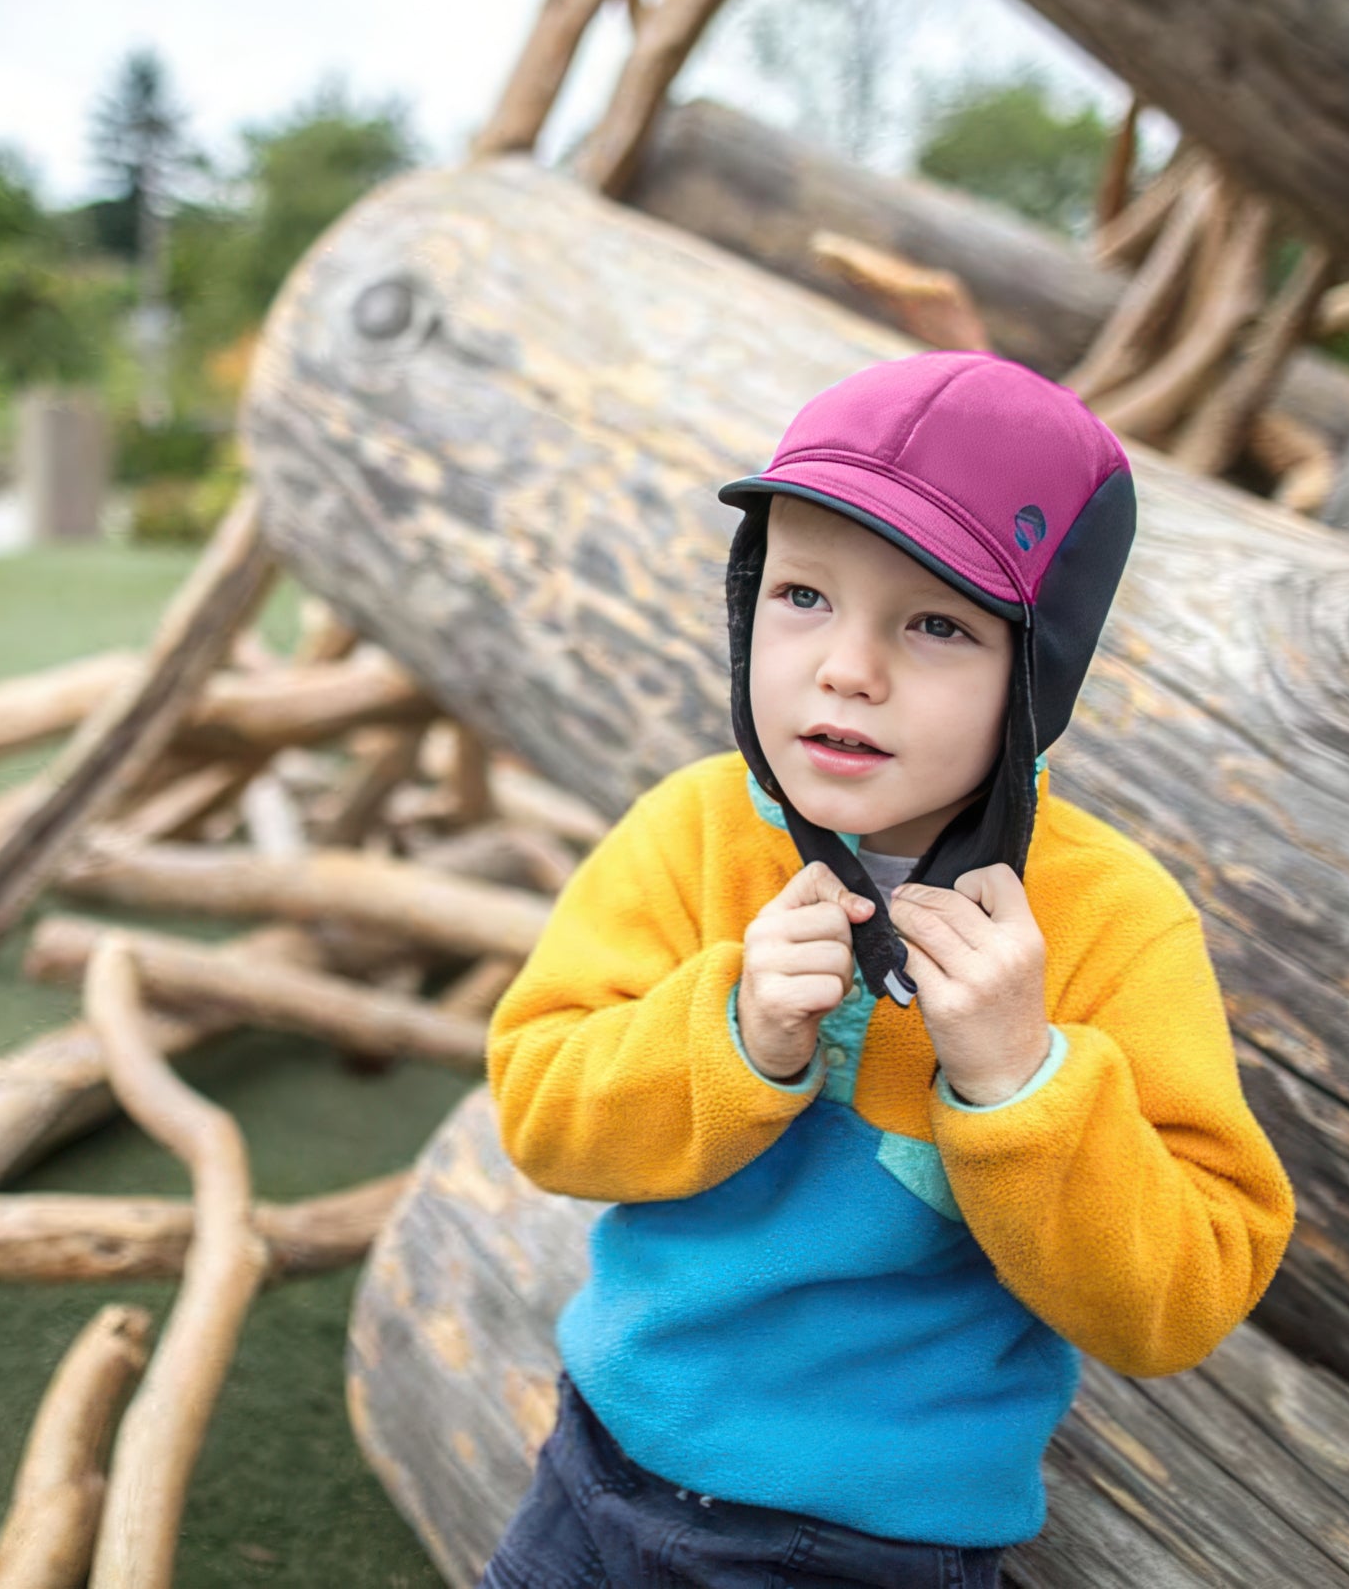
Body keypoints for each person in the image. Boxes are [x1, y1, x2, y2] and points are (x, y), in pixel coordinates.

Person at [481, 352, 1295, 1589]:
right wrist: (735, 1034)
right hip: (601, 1461)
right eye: (803, 595)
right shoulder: (693, 831)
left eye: (935, 623)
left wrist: (1023, 1085)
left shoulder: (1112, 920)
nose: (846, 668)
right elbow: (541, 1119)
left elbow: (1179, 1301)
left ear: (1038, 673)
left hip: (870, 1545)